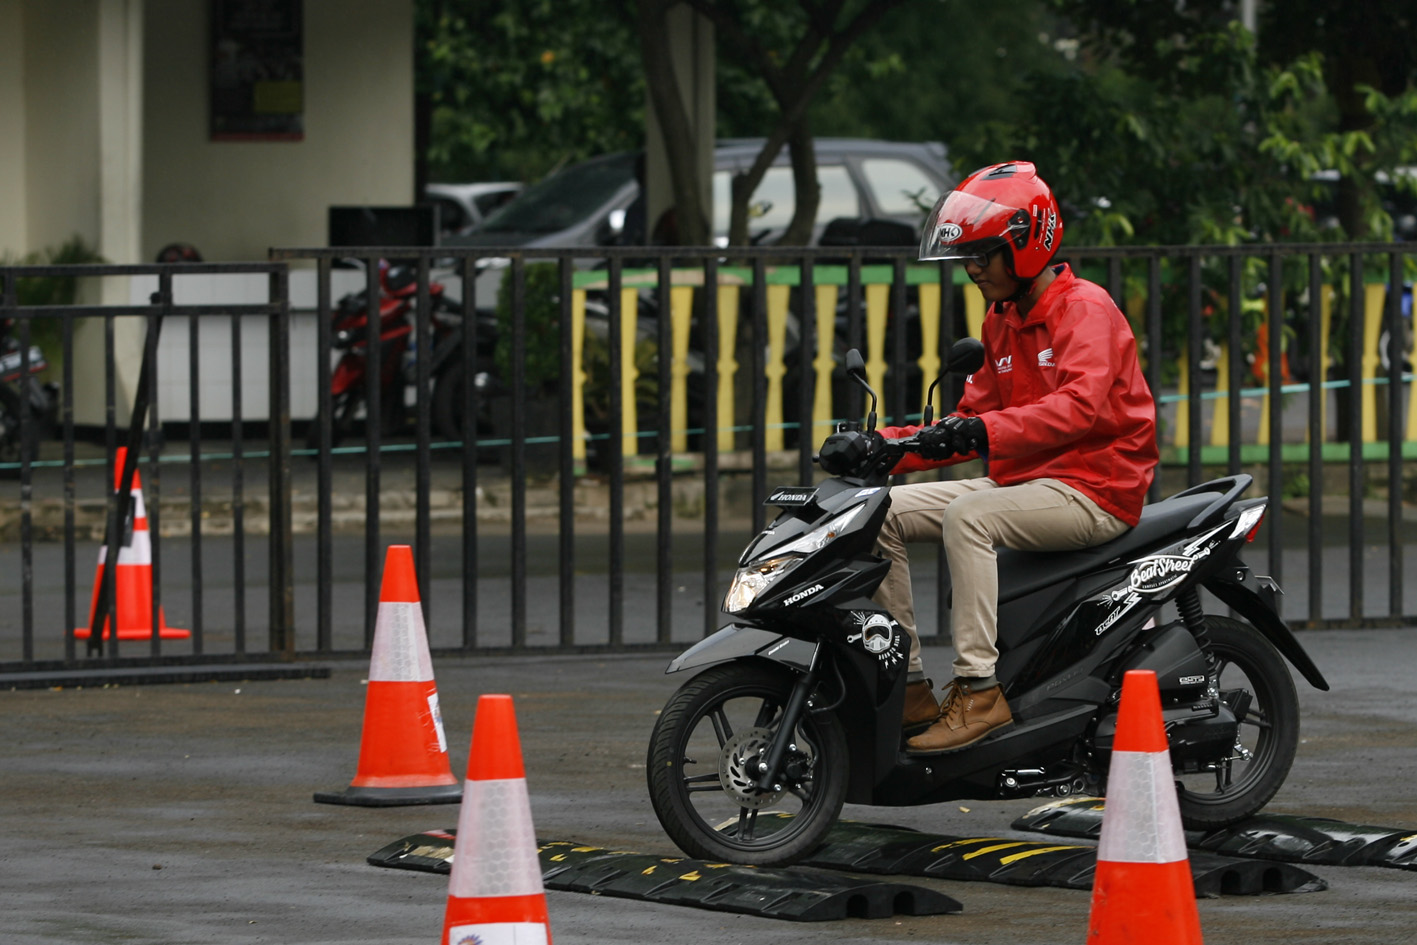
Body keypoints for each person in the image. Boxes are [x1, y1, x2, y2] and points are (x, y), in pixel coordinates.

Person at [817, 161, 1159, 754]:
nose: (972, 268)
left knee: (966, 518)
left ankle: (979, 691)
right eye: (968, 257)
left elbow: (1077, 409)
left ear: (1026, 246)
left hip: (1094, 489)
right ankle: (912, 687)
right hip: (1027, 485)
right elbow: (967, 420)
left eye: (983, 254)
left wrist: (976, 434)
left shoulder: (1085, 309)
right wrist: (884, 447)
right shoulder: (1002, 318)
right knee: (879, 511)